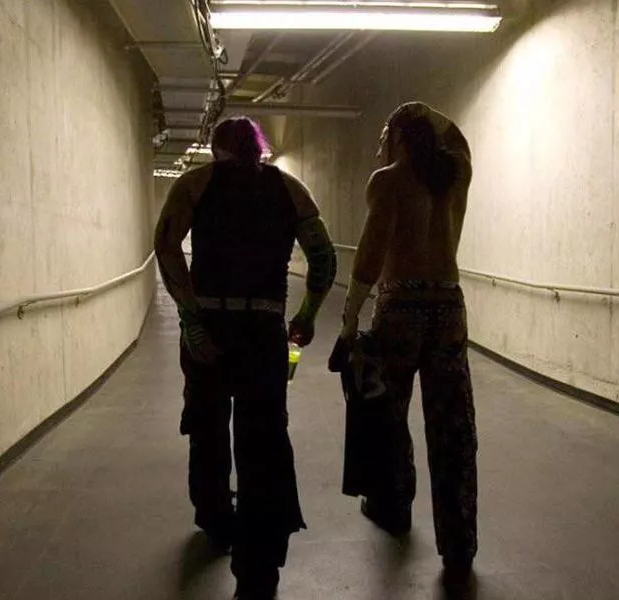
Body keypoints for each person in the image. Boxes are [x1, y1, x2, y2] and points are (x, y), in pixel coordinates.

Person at [154, 116, 336, 600]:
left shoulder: (197, 183)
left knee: (208, 425)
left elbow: (165, 245)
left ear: (216, 147)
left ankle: (215, 518)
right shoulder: (290, 190)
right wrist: (308, 313)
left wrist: (190, 319)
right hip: (263, 330)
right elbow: (324, 259)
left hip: (209, 327)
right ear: (258, 148)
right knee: (263, 440)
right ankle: (258, 567)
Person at [335, 101, 477, 591]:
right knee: (452, 426)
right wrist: (419, 112)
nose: (378, 145)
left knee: (390, 415)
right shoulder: (455, 174)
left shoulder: (390, 181)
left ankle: (393, 507)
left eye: (383, 134)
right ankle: (459, 540)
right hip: (448, 308)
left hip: (401, 309)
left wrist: (349, 317)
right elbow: (456, 134)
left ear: (398, 137)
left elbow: (371, 254)